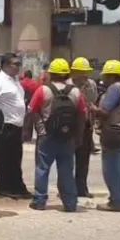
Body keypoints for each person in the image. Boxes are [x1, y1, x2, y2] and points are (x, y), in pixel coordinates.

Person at [24, 58, 87, 212]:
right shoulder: (75, 92)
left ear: (51, 74)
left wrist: (30, 131)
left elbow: (31, 110)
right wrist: (78, 136)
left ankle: (39, 201)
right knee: (66, 170)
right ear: (67, 74)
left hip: (47, 135)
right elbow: (82, 115)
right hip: (68, 137)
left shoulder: (43, 90)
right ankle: (70, 203)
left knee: (42, 168)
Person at [90, 59, 120, 212]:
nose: (104, 79)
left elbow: (105, 111)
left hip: (114, 131)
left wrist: (92, 107)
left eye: (106, 76)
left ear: (112, 76)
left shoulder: (114, 89)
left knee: (111, 169)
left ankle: (116, 201)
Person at [0, 53, 30, 199]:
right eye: (15, 64)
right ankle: (4, 187)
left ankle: (16, 186)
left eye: (19, 64)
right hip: (4, 126)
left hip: (16, 125)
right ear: (5, 65)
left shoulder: (15, 81)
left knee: (15, 158)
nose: (18, 67)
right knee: (3, 158)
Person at [67, 57, 99, 198]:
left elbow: (93, 101)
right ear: (74, 72)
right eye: (81, 72)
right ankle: (67, 188)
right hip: (70, 126)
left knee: (83, 159)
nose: (84, 76)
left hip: (86, 125)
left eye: (86, 72)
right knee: (67, 159)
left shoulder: (91, 85)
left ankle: (81, 188)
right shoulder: (67, 86)